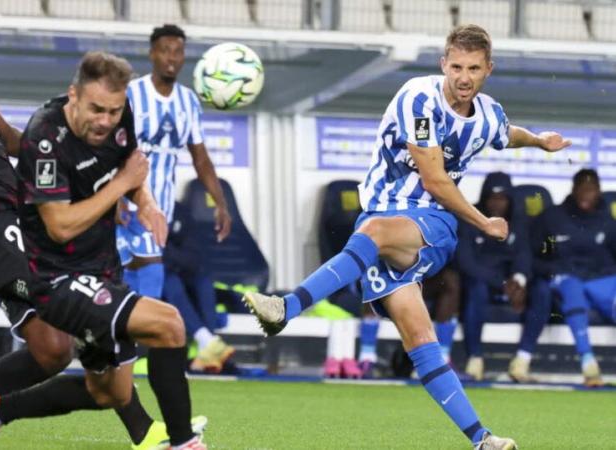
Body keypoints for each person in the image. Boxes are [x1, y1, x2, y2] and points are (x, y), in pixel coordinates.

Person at [243, 24, 570, 449]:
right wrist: (485, 222)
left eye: (473, 68)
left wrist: (541, 142)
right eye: (456, 66)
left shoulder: (488, 112)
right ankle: (482, 439)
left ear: (488, 69)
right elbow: (434, 176)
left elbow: (505, 135)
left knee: (372, 232)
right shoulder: (419, 99)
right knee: (420, 339)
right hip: (387, 223)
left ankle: (286, 307)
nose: (464, 77)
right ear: (443, 64)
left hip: (434, 224)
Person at [0, 3, 198, 449]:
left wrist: (64, 170)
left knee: (52, 351)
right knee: (76, 303)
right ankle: (148, 430)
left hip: (18, 206)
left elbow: (10, 138)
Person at [116, 24, 231, 301]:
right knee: (120, 280)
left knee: (151, 281)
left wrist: (221, 203)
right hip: (122, 207)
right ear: (152, 54)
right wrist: (116, 196)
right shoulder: (132, 93)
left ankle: (134, 342)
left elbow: (200, 158)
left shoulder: (188, 101)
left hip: (158, 212)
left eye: (178, 52)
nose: (172, 57)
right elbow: (113, 148)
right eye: (165, 51)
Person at [456, 172, 549, 382]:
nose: (497, 204)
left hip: (511, 282)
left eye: (502, 198)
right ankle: (475, 359)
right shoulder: (470, 219)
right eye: (492, 198)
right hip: (485, 280)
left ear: (510, 199)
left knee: (542, 290)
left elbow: (524, 255)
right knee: (475, 288)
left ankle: (522, 361)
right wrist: (504, 283)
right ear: (484, 197)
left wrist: (519, 280)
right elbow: (466, 262)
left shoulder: (519, 220)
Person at [532, 168, 616, 387]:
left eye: (592, 189)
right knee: (573, 289)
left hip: (601, 281)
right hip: (566, 279)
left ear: (599, 191)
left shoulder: (608, 220)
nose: (587, 194)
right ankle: (588, 363)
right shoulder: (553, 217)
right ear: (574, 189)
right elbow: (533, 255)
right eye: (583, 189)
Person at [162, 201, 235, 372]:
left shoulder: (178, 210)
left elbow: (193, 256)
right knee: (168, 279)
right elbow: (152, 255)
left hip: (174, 269)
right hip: (140, 280)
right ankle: (210, 343)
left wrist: (172, 258)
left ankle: (207, 346)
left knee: (202, 278)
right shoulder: (132, 210)